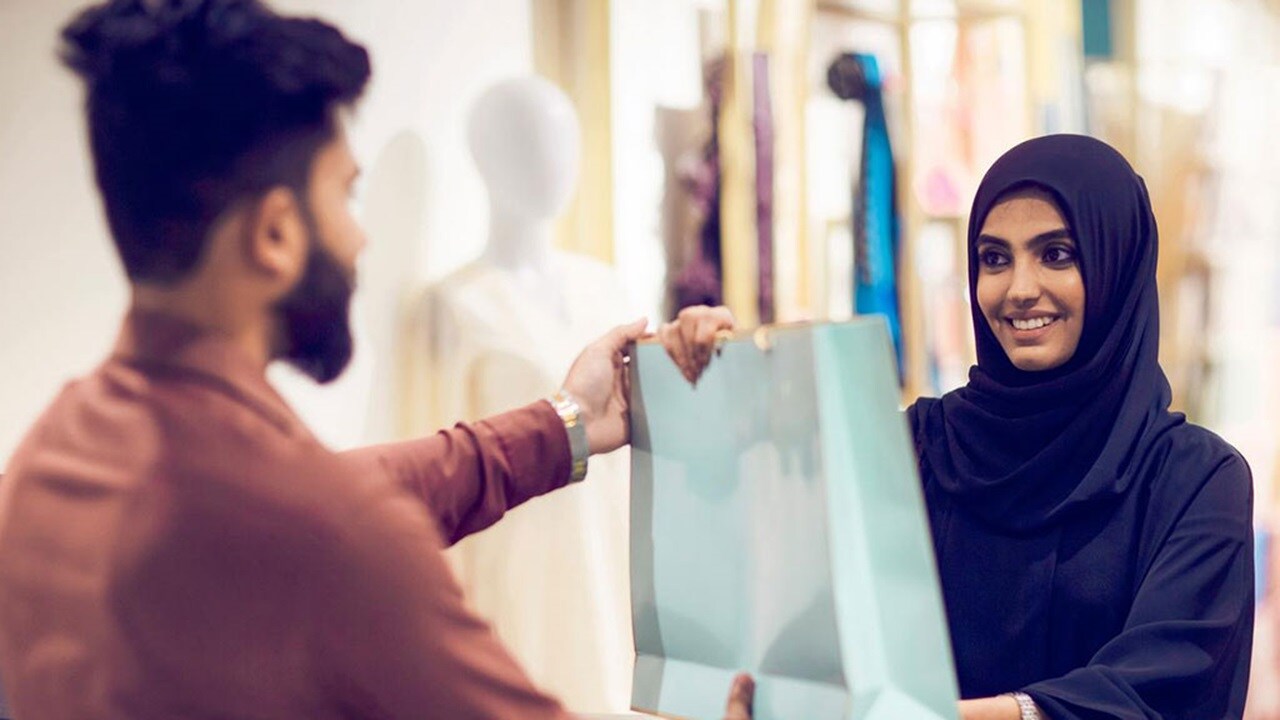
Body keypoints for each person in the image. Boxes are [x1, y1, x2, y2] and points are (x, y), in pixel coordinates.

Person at [0, 1, 755, 718]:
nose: (360, 240)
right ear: (274, 235)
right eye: (346, 194)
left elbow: (346, 488)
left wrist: (572, 424)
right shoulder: (327, 537)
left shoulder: (47, 465)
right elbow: (329, 515)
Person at [664, 134, 1254, 719]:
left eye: (1057, 254)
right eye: (995, 259)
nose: (1020, 290)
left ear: (1116, 264)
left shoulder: (1195, 481)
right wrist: (713, 378)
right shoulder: (917, 448)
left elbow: (1157, 689)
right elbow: (770, 567)